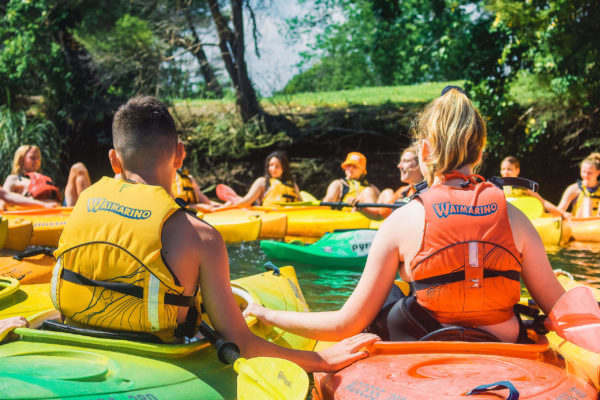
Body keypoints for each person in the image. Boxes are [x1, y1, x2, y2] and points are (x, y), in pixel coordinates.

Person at [49, 96, 377, 372]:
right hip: (161, 360)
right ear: (179, 154)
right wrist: (321, 360)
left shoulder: (81, 205)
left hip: (71, 345)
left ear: (113, 160)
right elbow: (240, 341)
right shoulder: (200, 237)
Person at [244, 87, 575, 344]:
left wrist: (266, 313)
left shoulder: (401, 222)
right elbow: (563, 313)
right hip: (505, 342)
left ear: (426, 151)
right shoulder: (515, 218)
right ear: (480, 151)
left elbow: (344, 324)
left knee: (391, 293)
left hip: (424, 342)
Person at [3, 145, 91, 206]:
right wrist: (42, 205)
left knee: (78, 168)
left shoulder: (44, 178)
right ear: (21, 160)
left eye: (38, 158)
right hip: (39, 213)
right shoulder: (13, 179)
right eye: (32, 158)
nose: (36, 161)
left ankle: (88, 211)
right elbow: (3, 201)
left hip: (60, 210)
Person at [221, 151, 301, 208]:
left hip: (290, 214)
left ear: (284, 168)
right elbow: (247, 201)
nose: (273, 169)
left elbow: (301, 203)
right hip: (268, 215)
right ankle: (226, 203)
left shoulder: (292, 184)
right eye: (271, 165)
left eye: (277, 166)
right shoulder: (262, 182)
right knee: (237, 202)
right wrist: (231, 206)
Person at [500, 156, 569, 218]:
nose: (505, 172)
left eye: (509, 169)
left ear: (517, 171)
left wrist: (562, 213)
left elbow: (543, 202)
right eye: (503, 169)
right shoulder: (497, 187)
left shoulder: (523, 186)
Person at [323, 152, 380, 217]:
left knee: (385, 192)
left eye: (355, 166)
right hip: (347, 219)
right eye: (348, 165)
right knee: (368, 191)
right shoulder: (338, 184)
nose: (350, 169)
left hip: (369, 218)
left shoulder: (372, 187)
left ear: (362, 171)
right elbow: (327, 203)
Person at [375, 145, 424, 218]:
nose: (399, 166)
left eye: (405, 161)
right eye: (401, 161)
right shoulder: (403, 192)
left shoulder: (431, 191)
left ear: (420, 164)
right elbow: (381, 213)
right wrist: (358, 204)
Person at [172, 142, 221, 211]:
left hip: (195, 211)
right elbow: (171, 206)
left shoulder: (188, 177)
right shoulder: (164, 178)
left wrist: (215, 205)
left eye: (183, 150)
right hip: (182, 212)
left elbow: (201, 197)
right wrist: (197, 206)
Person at [557, 152, 600, 218]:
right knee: (586, 200)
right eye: (583, 172)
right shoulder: (574, 188)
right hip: (579, 224)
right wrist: (564, 214)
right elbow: (559, 210)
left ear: (598, 172)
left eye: (589, 173)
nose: (586, 175)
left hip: (597, 223)